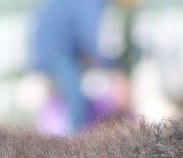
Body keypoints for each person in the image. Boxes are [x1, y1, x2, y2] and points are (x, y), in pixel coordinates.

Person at [31, 0, 129, 135]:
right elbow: (93, 39)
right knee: (76, 99)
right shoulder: (91, 3)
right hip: (57, 53)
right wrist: (113, 71)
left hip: (59, 52)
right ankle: (76, 140)